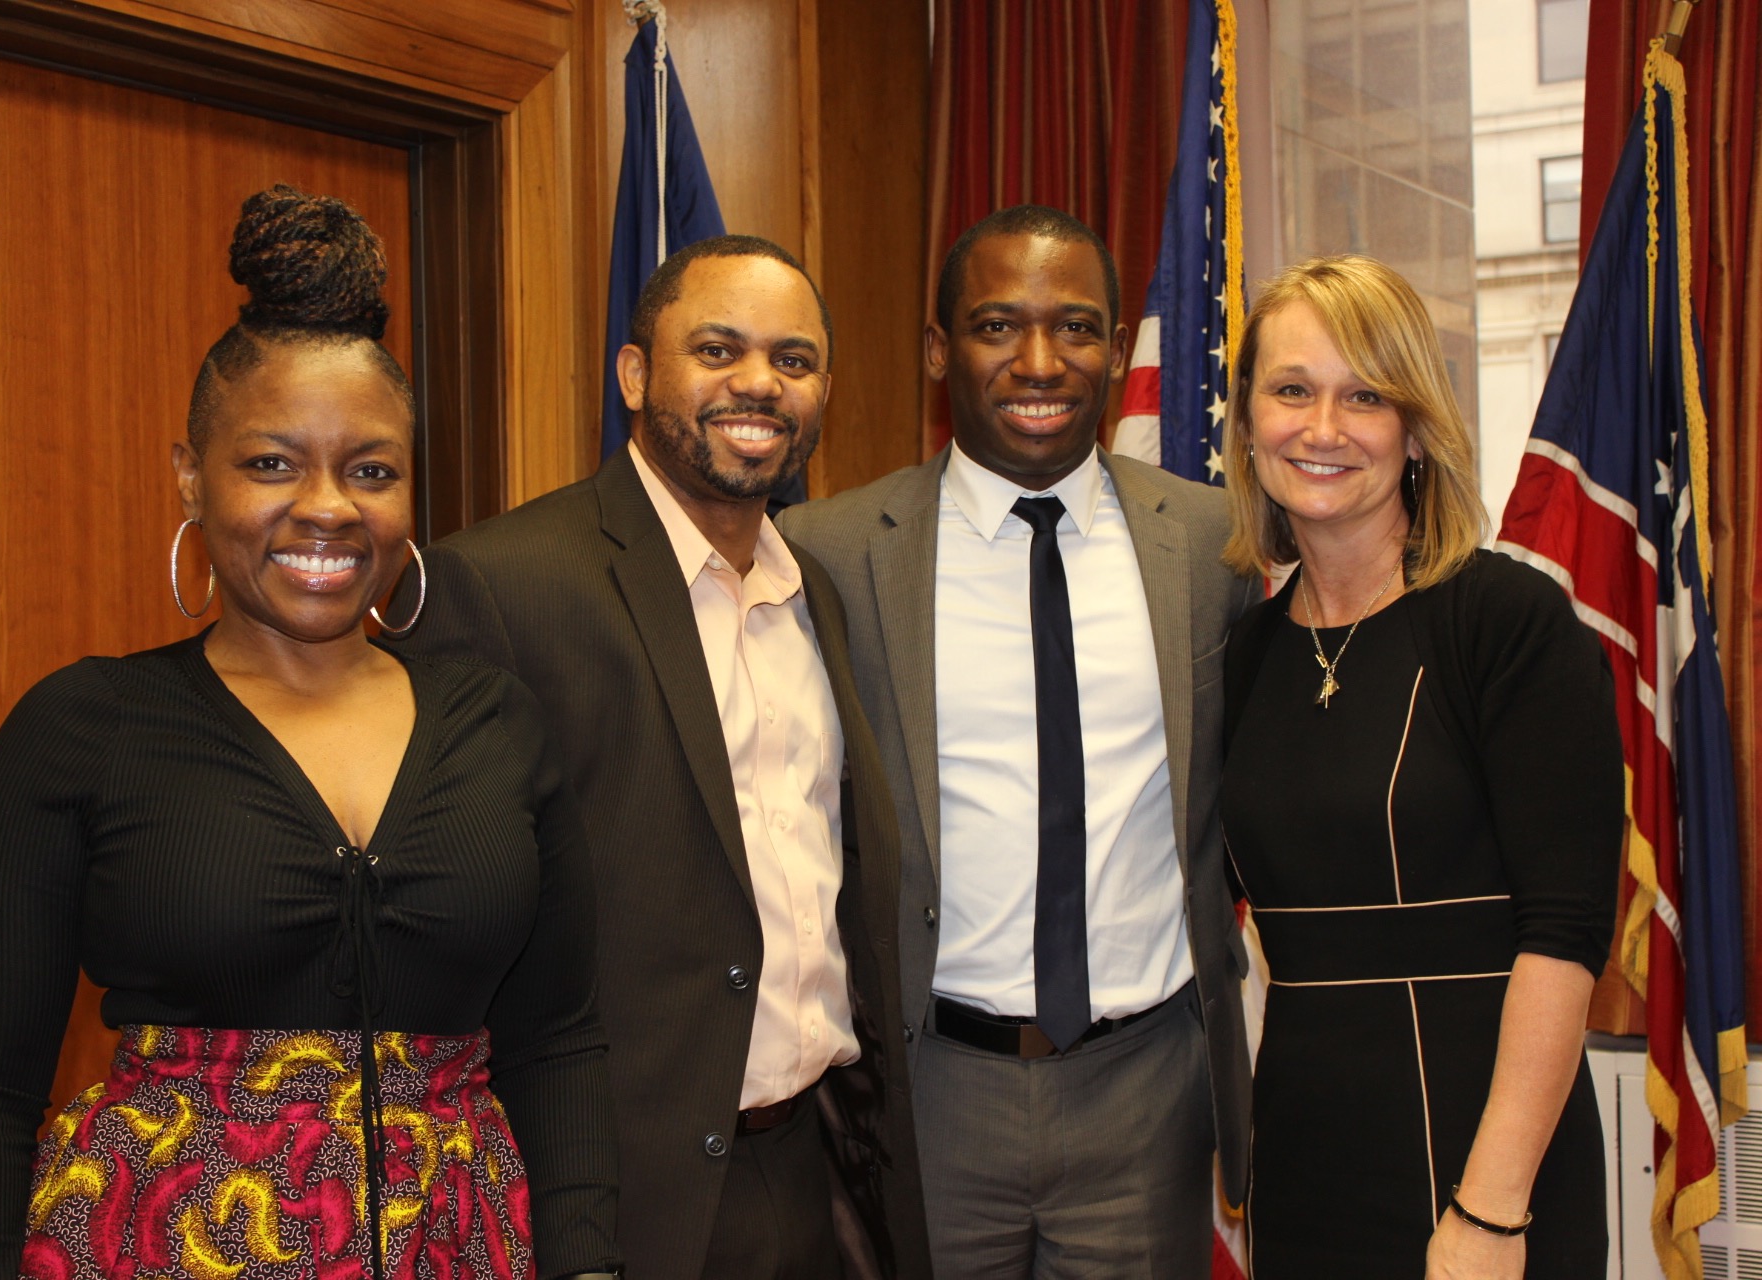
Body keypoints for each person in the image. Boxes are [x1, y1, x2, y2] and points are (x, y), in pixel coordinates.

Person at [0, 185, 620, 1280]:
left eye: (372, 470)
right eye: (272, 462)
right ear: (193, 473)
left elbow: (559, 1044)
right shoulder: (81, 729)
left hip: (459, 1247)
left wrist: (589, 1263)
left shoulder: (499, 724)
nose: (329, 507)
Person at [396, 235, 931, 1280]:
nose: (758, 384)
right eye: (719, 348)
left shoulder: (810, 591)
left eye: (794, 358)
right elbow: (441, 936)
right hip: (626, 1196)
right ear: (636, 373)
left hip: (819, 1161)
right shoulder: (500, 585)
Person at [779, 204, 1258, 1277]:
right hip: (932, 1086)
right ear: (941, 352)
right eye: (999, 326)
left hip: (1146, 1085)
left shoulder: (1211, 546)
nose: (1041, 361)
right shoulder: (829, 554)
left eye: (1077, 327)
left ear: (1119, 349)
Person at [1216, 254, 1620, 1278]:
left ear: (1414, 428)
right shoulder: (1244, 654)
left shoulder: (1507, 623)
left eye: (1365, 395)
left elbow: (1565, 934)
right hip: (1305, 1162)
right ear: (1247, 419)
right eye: (1292, 390)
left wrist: (1491, 1209)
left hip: (1485, 1160)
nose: (1323, 428)